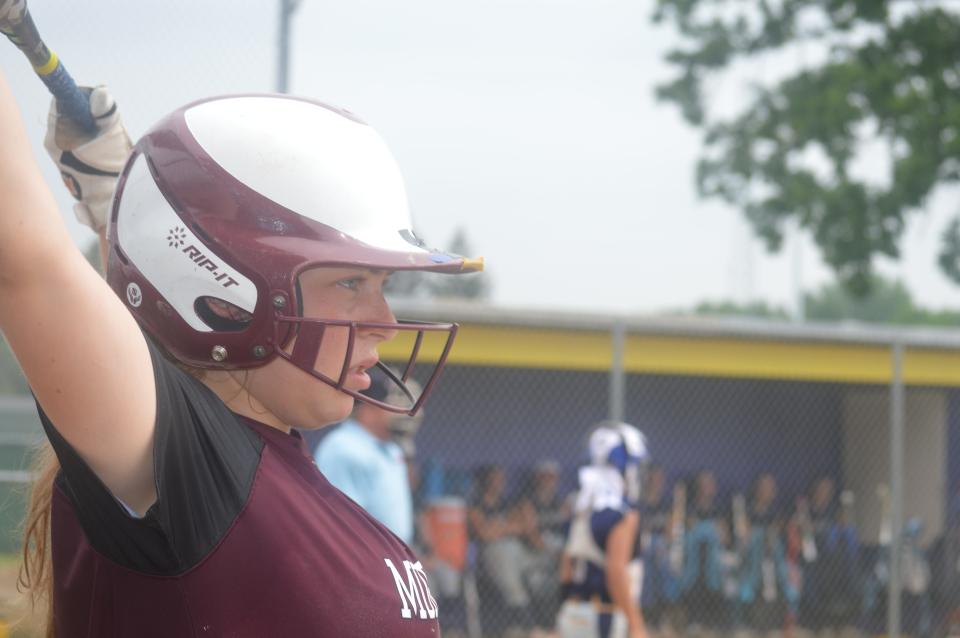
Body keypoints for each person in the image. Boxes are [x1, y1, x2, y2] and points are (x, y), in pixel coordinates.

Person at [4, 72, 482, 637]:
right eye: (352, 283)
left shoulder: (256, 468)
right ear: (233, 296)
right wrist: (145, 221)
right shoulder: (193, 468)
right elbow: (24, 264)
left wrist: (126, 203)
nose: (386, 324)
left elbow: (167, 320)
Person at [557, 421, 651, 638]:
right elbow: (615, 571)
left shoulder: (580, 504)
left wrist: (567, 606)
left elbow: (567, 564)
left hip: (575, 612)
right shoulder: (620, 513)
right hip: (605, 619)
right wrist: (636, 625)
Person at [315, 374, 414, 543]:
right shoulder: (343, 446)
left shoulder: (391, 447)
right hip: (362, 554)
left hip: (392, 554)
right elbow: (339, 519)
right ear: (368, 409)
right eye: (389, 404)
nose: (397, 410)